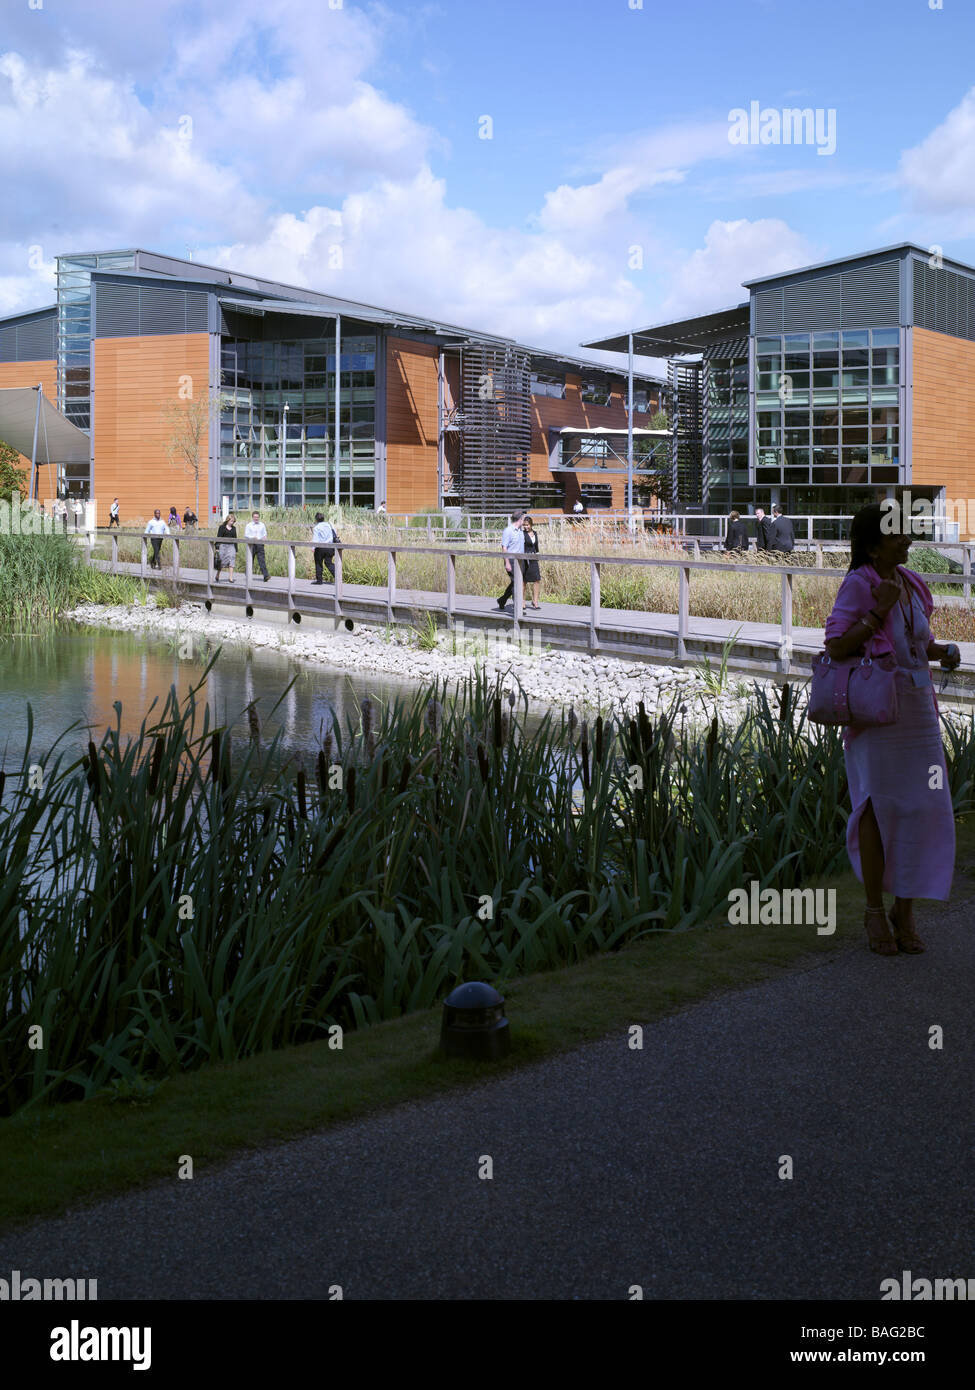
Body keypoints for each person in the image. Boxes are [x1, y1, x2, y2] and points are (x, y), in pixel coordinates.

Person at [824, 503, 961, 956]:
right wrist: (875, 613)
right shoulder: (859, 584)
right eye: (897, 535)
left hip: (918, 712)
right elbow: (837, 645)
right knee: (876, 807)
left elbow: (914, 643)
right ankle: (874, 912)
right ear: (872, 543)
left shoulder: (911, 582)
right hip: (878, 714)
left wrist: (943, 651)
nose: (907, 540)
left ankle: (906, 910)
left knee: (921, 808)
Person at [497, 510, 526, 610]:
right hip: (512, 561)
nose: (524, 520)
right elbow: (504, 547)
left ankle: (502, 600)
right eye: (523, 518)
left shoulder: (520, 531)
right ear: (520, 519)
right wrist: (507, 562)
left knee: (516, 582)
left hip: (520, 561)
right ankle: (517, 606)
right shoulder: (508, 530)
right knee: (516, 582)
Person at [522, 515, 542, 608]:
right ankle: (523, 601)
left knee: (537, 579)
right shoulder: (522, 534)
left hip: (534, 558)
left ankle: (535, 601)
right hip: (525, 558)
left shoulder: (535, 533)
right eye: (524, 525)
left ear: (531, 525)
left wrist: (538, 555)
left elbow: (536, 546)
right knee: (524, 581)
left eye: (527, 525)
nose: (526, 527)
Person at [311, 512, 337, 584]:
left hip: (320, 548)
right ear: (323, 518)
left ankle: (319, 580)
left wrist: (313, 547)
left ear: (316, 519)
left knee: (318, 563)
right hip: (330, 547)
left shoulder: (316, 528)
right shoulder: (329, 525)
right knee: (328, 563)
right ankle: (338, 577)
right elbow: (334, 534)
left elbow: (316, 539)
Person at [244, 510, 270, 582]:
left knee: (261, 560)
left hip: (260, 544)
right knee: (250, 560)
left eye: (257, 517)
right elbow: (246, 535)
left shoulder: (262, 525)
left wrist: (264, 537)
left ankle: (266, 575)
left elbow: (265, 533)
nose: (256, 518)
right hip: (251, 544)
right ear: (252, 517)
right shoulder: (249, 525)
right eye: (255, 517)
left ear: (259, 517)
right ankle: (247, 572)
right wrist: (252, 537)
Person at [216, 512, 238, 582]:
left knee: (232, 560)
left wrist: (236, 549)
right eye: (231, 521)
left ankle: (230, 577)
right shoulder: (221, 527)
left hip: (231, 546)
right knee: (222, 562)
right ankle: (217, 574)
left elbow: (235, 538)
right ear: (227, 520)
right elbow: (218, 537)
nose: (232, 522)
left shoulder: (234, 528)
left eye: (233, 521)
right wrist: (217, 547)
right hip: (223, 545)